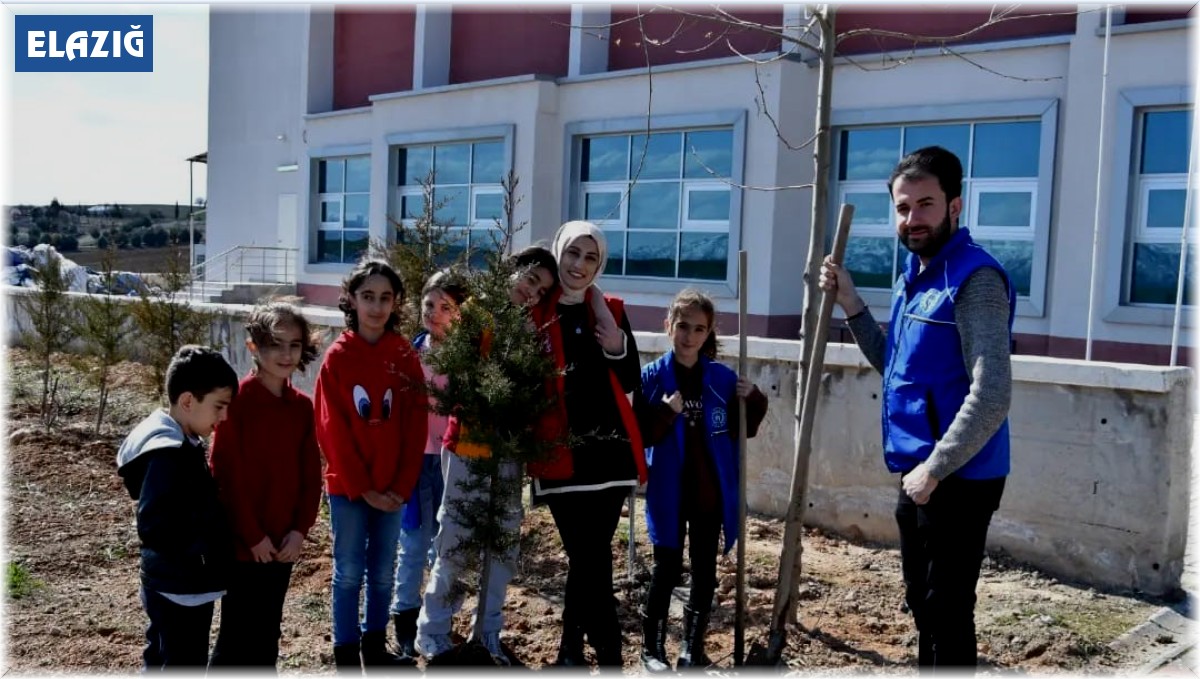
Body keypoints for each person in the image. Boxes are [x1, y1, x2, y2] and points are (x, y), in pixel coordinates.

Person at [818, 145, 1015, 672]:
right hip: (919, 470)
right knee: (923, 605)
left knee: (948, 611)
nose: (913, 219)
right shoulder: (915, 276)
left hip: (960, 475)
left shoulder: (975, 281)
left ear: (955, 204)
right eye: (903, 208)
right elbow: (897, 366)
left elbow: (993, 391)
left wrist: (935, 467)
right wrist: (852, 304)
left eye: (926, 204)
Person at [414, 245, 558, 664]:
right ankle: (433, 630)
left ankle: (488, 629)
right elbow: (461, 378)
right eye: (530, 280)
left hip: (509, 452)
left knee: (502, 544)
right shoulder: (472, 316)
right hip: (468, 447)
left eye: (541, 290)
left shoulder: (532, 329)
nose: (532, 292)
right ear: (511, 272)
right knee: (456, 540)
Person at [528, 221, 646, 667]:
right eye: (573, 253)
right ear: (558, 252)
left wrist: (617, 344)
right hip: (560, 455)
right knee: (587, 558)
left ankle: (573, 654)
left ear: (600, 264)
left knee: (590, 559)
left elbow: (631, 378)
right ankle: (604, 654)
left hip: (610, 455)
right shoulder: (538, 311)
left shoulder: (611, 308)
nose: (579, 265)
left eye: (590, 257)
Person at [636, 289, 768, 672]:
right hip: (668, 491)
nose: (688, 336)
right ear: (668, 326)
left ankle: (691, 648)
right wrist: (664, 414)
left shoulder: (721, 379)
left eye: (698, 329)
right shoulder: (653, 378)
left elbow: (745, 428)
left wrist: (754, 399)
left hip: (708, 492)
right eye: (682, 326)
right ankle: (652, 648)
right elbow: (640, 434)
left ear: (708, 333)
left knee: (705, 573)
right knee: (666, 569)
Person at [313, 258, 428, 671]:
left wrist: (401, 484)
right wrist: (363, 487)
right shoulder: (338, 357)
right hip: (349, 489)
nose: (377, 307)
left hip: (394, 489)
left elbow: (416, 424)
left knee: (382, 572)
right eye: (368, 297)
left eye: (385, 298)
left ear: (396, 303)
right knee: (348, 571)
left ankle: (375, 649)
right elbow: (331, 429)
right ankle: (346, 654)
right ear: (351, 300)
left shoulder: (404, 355)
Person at [208, 300, 324, 670]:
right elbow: (224, 473)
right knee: (236, 637)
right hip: (245, 547)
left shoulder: (302, 408)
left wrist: (298, 532)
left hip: (283, 546)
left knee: (267, 634)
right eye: (275, 344)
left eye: (294, 344)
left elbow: (310, 477)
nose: (286, 354)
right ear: (254, 348)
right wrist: (252, 536)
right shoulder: (236, 403)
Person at [115, 345, 239, 670]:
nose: (223, 417)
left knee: (159, 659)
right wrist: (202, 551)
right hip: (181, 586)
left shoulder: (180, 443)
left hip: (170, 582)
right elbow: (154, 524)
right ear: (187, 401)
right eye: (219, 407)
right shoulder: (170, 454)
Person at [389, 269, 467, 661]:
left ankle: (439, 621)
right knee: (415, 541)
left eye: (446, 307)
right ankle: (404, 617)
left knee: (447, 544)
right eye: (429, 305)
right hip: (417, 460)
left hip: (453, 460)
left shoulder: (467, 361)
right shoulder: (409, 355)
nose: (435, 314)